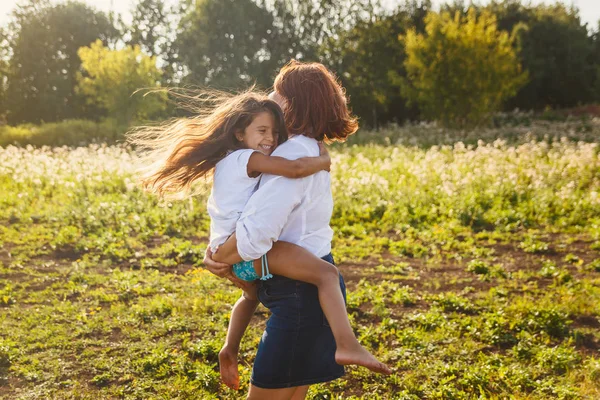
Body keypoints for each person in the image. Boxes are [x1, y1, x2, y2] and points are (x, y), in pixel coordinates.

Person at [204, 60, 391, 400]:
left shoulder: (290, 155)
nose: (268, 95)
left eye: (276, 90)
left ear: (289, 102)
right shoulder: (307, 149)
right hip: (311, 292)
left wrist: (219, 258)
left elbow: (255, 235)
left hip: (299, 299)